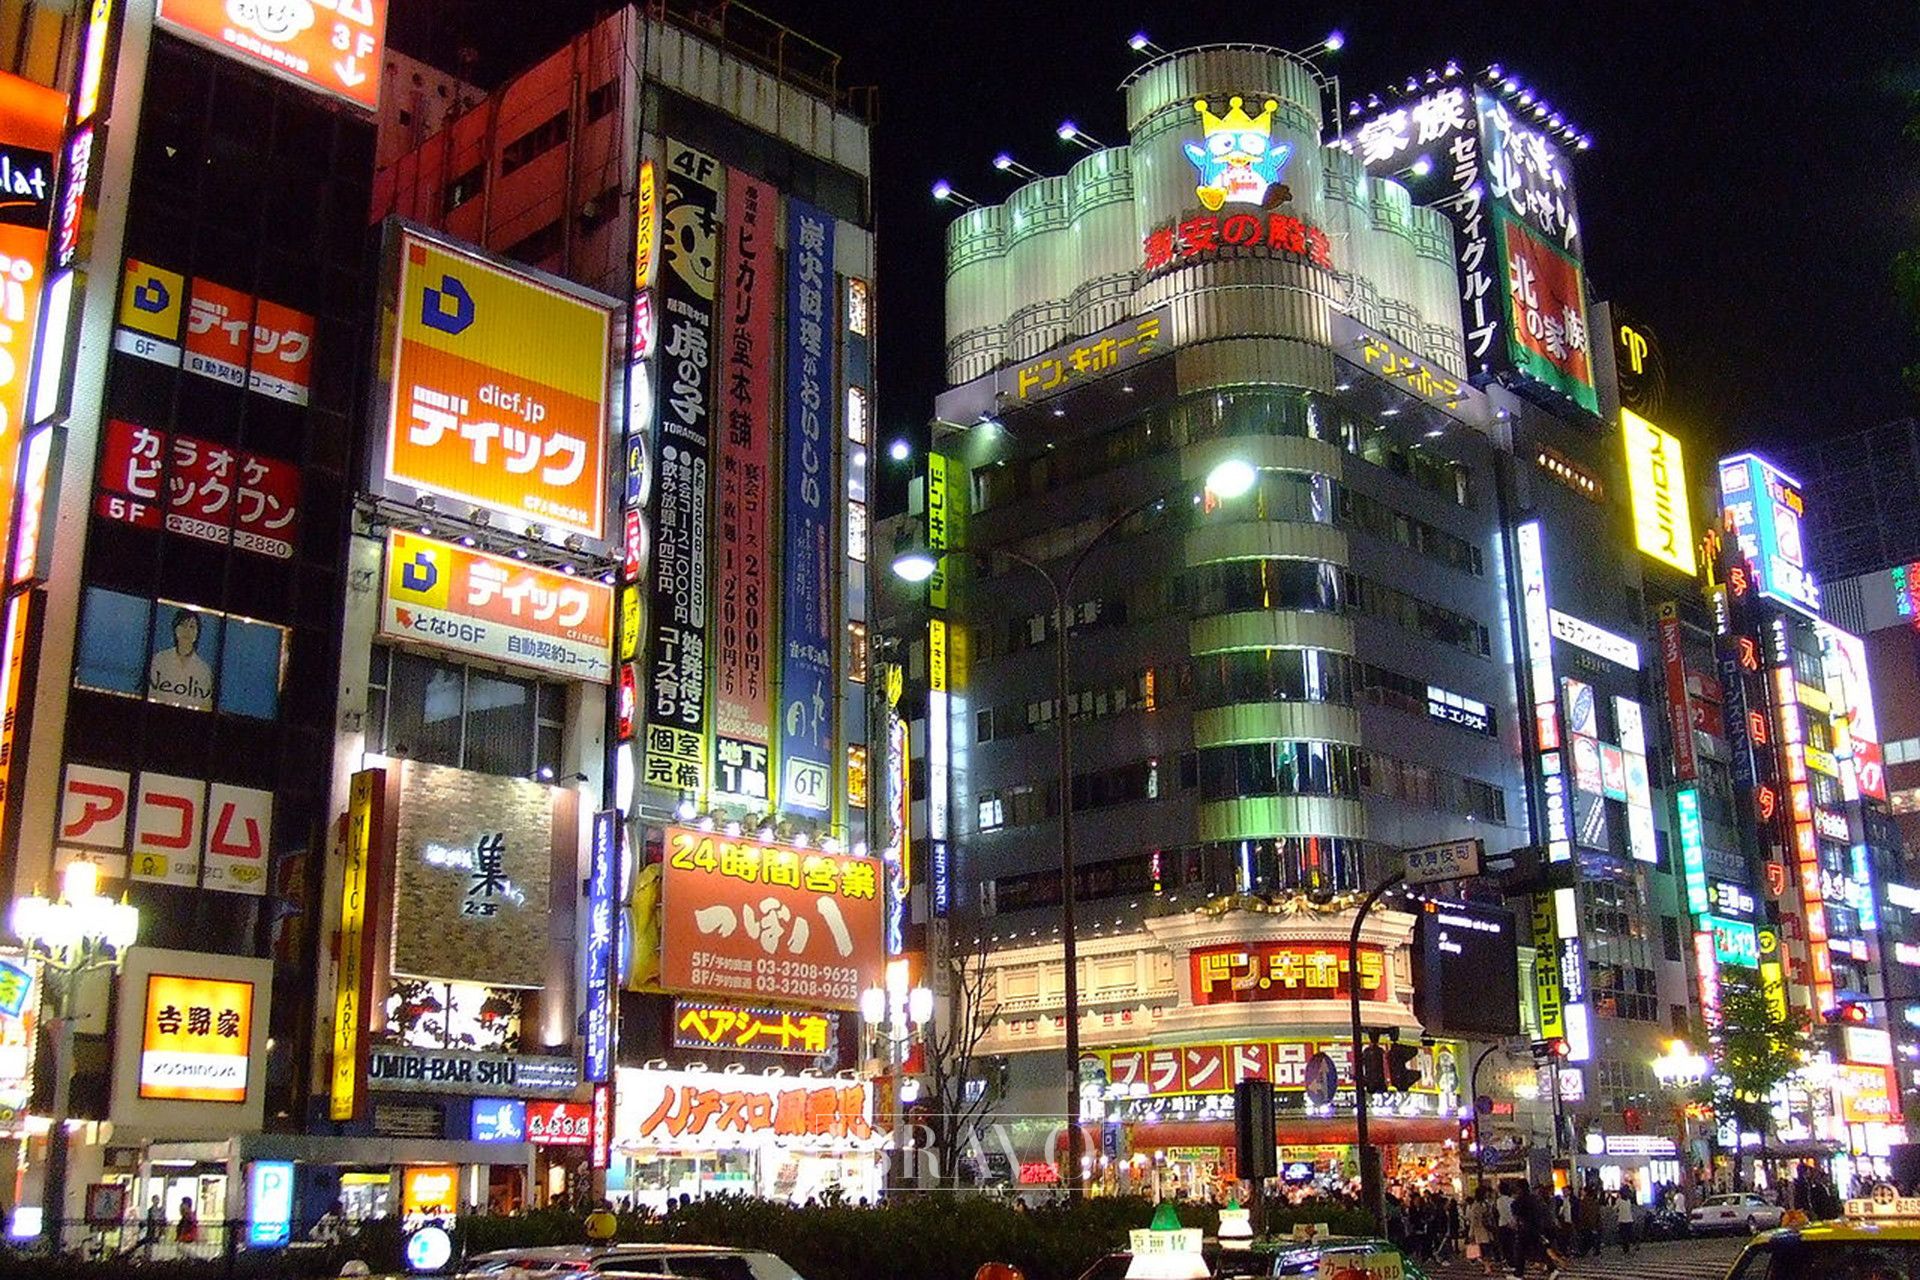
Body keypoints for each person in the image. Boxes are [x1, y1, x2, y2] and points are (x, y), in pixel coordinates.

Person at [148, 609, 215, 710]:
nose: (187, 630)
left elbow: (206, 705)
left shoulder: (204, 670)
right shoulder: (159, 659)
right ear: (175, 629)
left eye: (192, 626)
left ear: (197, 633)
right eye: (183, 625)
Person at [1615, 1185, 1637, 1255]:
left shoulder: (1619, 1201)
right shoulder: (1628, 1201)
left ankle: (1626, 1250)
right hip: (1629, 1220)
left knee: (1624, 1236)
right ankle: (1632, 1246)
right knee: (1630, 1235)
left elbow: (1614, 1208)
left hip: (1622, 1220)